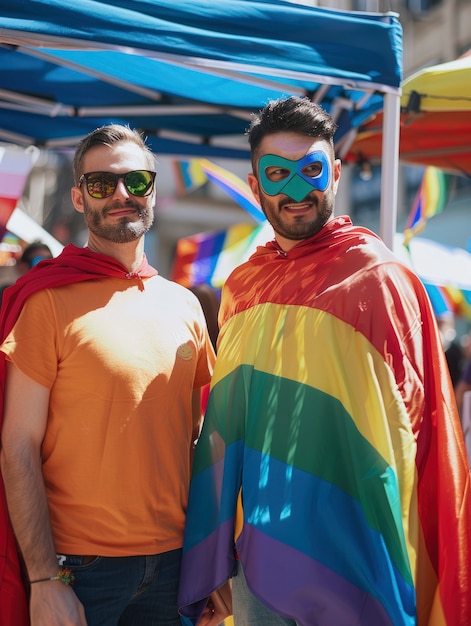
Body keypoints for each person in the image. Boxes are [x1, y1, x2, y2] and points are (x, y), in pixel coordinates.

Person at [178, 96, 471, 625]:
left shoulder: (379, 279)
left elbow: (416, 435)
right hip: (257, 561)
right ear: (254, 185)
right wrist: (216, 551)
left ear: (335, 173)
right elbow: (226, 429)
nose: (296, 190)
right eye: (277, 173)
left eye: (310, 169)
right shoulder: (244, 287)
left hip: (354, 562)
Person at [0, 124, 217, 626]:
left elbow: (197, 443)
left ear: (154, 191)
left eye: (136, 181)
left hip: (176, 567)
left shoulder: (185, 305)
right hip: (79, 570)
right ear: (79, 197)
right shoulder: (46, 302)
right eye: (101, 184)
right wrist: (42, 579)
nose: (121, 194)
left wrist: (210, 565)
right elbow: (18, 446)